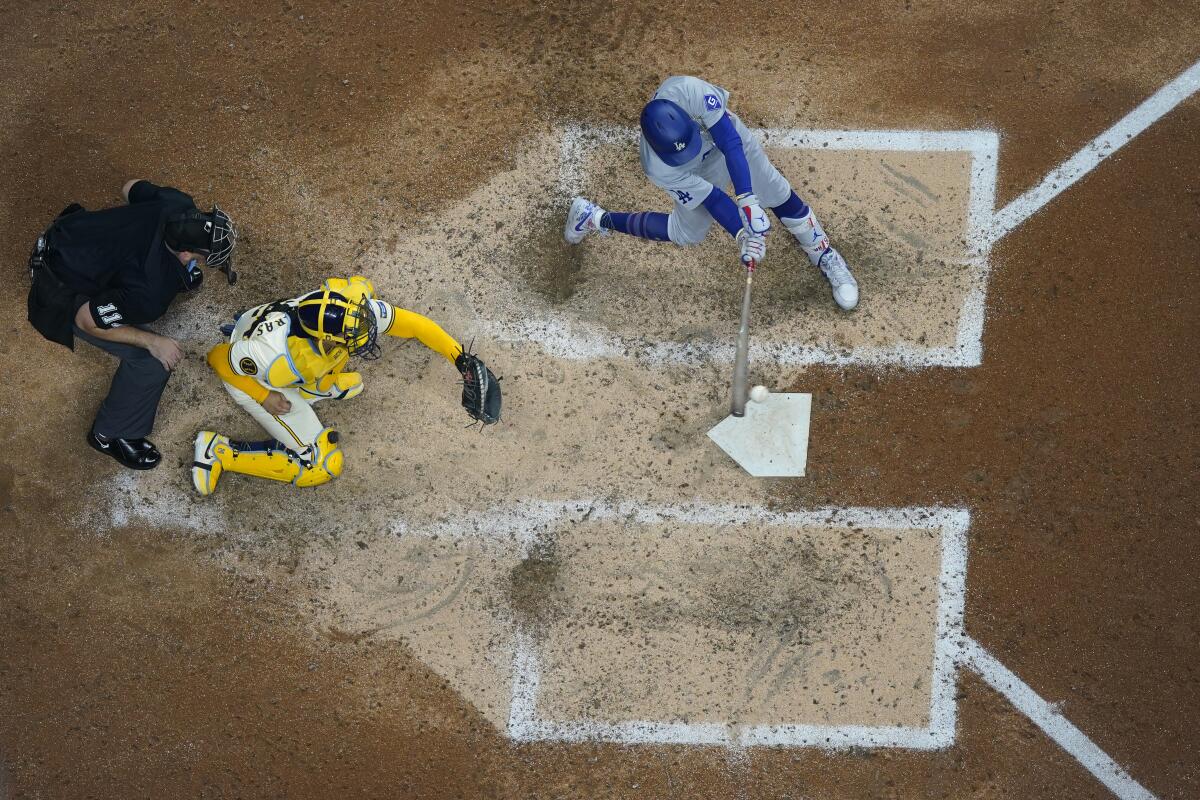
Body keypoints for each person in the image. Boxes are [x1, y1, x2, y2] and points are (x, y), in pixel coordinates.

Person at [564, 75, 859, 311]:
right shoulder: (658, 168)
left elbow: (731, 143)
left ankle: (824, 254)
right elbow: (714, 198)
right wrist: (741, 235)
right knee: (686, 233)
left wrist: (747, 199)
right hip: (694, 172)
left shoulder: (688, 90)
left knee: (775, 191)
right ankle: (593, 217)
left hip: (724, 143)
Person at [191, 275, 500, 494]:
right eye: (357, 335)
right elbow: (218, 359)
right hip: (254, 377)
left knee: (345, 378)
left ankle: (317, 387)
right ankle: (219, 452)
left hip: (286, 355)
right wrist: (264, 396)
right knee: (322, 465)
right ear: (326, 337)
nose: (368, 335)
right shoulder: (273, 355)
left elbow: (415, 325)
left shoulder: (351, 311)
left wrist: (459, 359)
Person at [26, 180, 238, 470]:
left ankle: (175, 272)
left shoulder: (177, 205)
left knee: (151, 266)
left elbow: (129, 187)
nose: (210, 261)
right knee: (151, 363)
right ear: (186, 253)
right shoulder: (150, 292)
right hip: (58, 285)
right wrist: (152, 342)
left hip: (69, 234)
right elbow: (87, 320)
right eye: (204, 256)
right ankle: (110, 434)